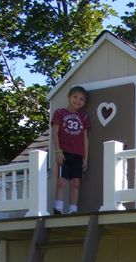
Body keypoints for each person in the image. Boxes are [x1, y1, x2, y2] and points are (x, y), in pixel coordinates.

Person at [51, 85, 90, 214]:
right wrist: (58, 151)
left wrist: (86, 157)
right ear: (69, 97)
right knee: (61, 181)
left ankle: (73, 209)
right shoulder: (60, 113)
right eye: (75, 97)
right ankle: (58, 208)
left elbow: (85, 138)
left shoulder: (84, 117)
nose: (78, 101)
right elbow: (55, 133)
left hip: (78, 154)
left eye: (81, 99)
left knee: (76, 183)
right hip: (64, 153)